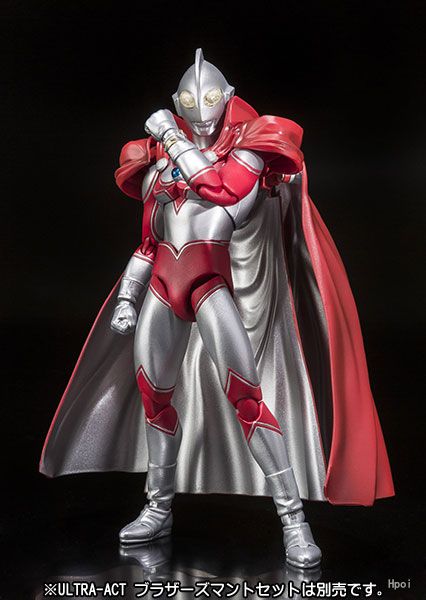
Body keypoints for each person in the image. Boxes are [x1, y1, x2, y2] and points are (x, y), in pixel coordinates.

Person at [40, 49, 394, 570]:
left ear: (227, 98)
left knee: (248, 399)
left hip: (209, 286)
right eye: (188, 99)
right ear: (177, 100)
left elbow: (222, 190)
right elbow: (148, 244)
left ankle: (293, 520)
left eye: (209, 97)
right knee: (155, 398)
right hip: (163, 287)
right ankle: (158, 507)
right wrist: (128, 297)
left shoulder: (247, 155)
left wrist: (172, 136)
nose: (199, 108)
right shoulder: (159, 169)